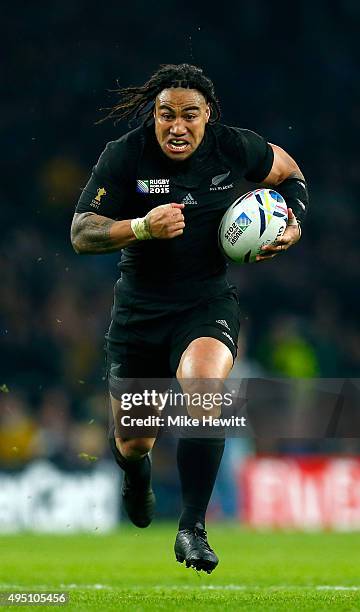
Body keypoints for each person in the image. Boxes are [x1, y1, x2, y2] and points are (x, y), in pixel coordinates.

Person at [70, 63, 308, 573]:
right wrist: (140, 226)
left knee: (204, 391)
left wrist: (294, 226)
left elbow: (291, 175)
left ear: (208, 116)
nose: (177, 126)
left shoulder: (235, 147)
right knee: (135, 441)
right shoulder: (125, 155)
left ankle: (192, 528)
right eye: (165, 115)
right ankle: (135, 476)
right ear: (153, 116)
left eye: (189, 115)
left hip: (205, 303)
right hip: (139, 312)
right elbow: (81, 232)